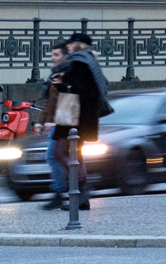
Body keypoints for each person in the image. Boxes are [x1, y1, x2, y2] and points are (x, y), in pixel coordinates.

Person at [48, 32, 112, 211]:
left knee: (60, 154)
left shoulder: (80, 62)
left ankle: (82, 190)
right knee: (73, 155)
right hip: (78, 117)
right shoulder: (86, 61)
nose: (67, 45)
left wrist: (63, 85)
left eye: (71, 43)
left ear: (79, 45)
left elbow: (85, 91)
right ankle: (81, 196)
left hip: (75, 118)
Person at [37, 44, 65, 209]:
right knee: (57, 157)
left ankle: (60, 192)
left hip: (64, 125)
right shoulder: (55, 74)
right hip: (55, 124)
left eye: (56, 54)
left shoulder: (66, 75)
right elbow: (48, 102)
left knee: (53, 156)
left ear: (64, 56)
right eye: (52, 55)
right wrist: (40, 122)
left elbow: (68, 100)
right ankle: (66, 191)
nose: (53, 58)